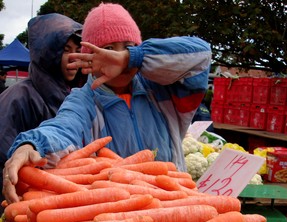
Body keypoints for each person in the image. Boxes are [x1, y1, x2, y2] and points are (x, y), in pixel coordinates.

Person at [2, 3, 211, 205]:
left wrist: (132, 58)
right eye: (108, 49)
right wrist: (31, 144)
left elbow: (201, 56)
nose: (116, 59)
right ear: (89, 58)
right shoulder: (83, 100)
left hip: (178, 208)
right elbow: (63, 127)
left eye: (127, 48)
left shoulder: (162, 90)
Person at [0, 13, 85, 213]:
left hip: (57, 204)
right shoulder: (19, 96)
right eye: (66, 50)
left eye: (77, 50)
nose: (74, 56)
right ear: (48, 54)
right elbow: (5, 156)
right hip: (21, 202)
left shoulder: (74, 95)